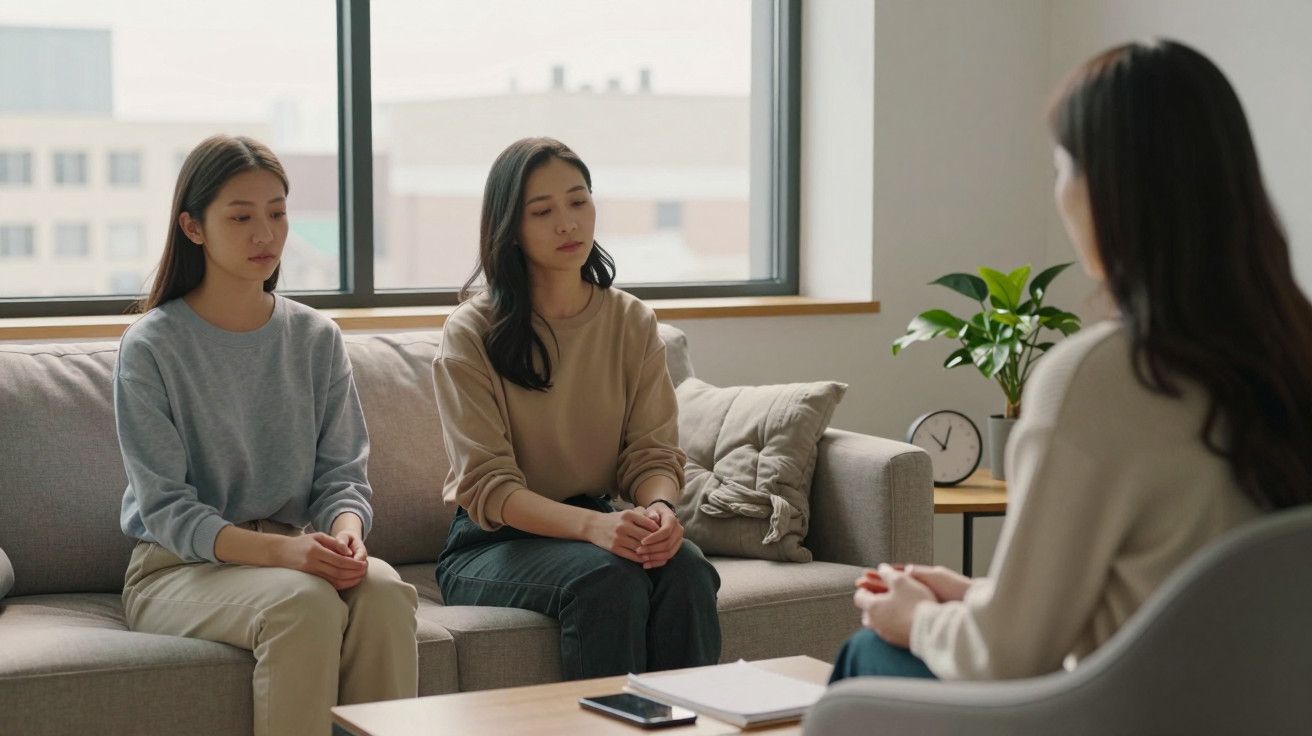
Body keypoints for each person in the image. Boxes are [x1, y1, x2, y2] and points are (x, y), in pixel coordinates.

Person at [831, 39, 1312, 682]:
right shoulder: (1290, 351)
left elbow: (1006, 658)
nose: (1060, 194)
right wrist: (975, 594)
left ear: (1108, 190)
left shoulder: (1102, 377)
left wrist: (915, 619)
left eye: (1063, 169)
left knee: (872, 653)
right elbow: (1153, 600)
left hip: (1125, 716)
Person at [114, 134, 418, 736]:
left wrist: (346, 536)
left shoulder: (316, 338)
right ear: (193, 227)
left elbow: (342, 478)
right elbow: (169, 510)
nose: (266, 235)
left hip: (295, 553)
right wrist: (288, 553)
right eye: (241, 217)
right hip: (177, 567)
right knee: (300, 605)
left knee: (383, 590)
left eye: (277, 213)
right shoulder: (151, 347)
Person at [432, 136, 721, 679]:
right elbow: (489, 488)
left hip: (597, 522)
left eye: (579, 200)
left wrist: (658, 511)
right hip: (492, 544)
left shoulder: (631, 322)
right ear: (510, 230)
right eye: (542, 211)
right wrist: (594, 529)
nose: (567, 223)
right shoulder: (471, 332)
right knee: (606, 577)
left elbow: (653, 454)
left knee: (686, 567)